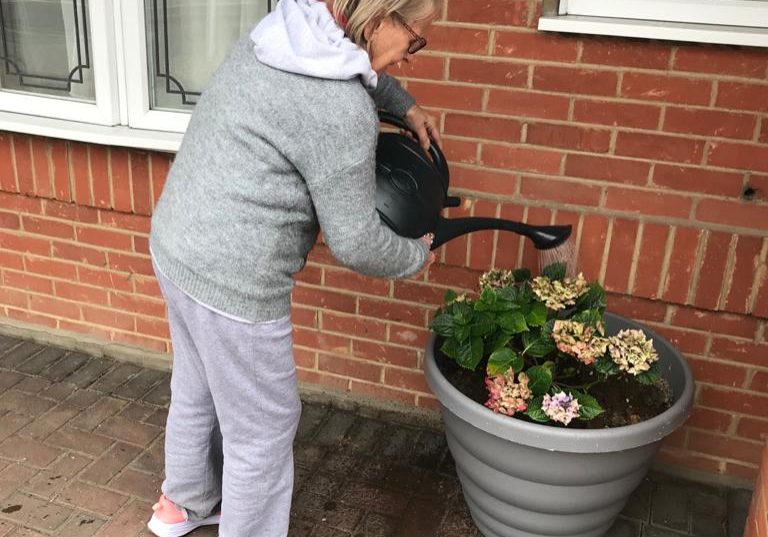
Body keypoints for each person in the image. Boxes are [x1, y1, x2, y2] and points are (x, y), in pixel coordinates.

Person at [146, 0, 441, 535]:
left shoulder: (280, 34)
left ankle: (183, 504)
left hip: (178, 243)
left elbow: (347, 62)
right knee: (262, 428)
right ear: (379, 18)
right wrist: (416, 254)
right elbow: (355, 241)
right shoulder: (340, 109)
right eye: (415, 39)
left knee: (199, 384)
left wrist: (405, 105)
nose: (414, 57)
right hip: (236, 281)